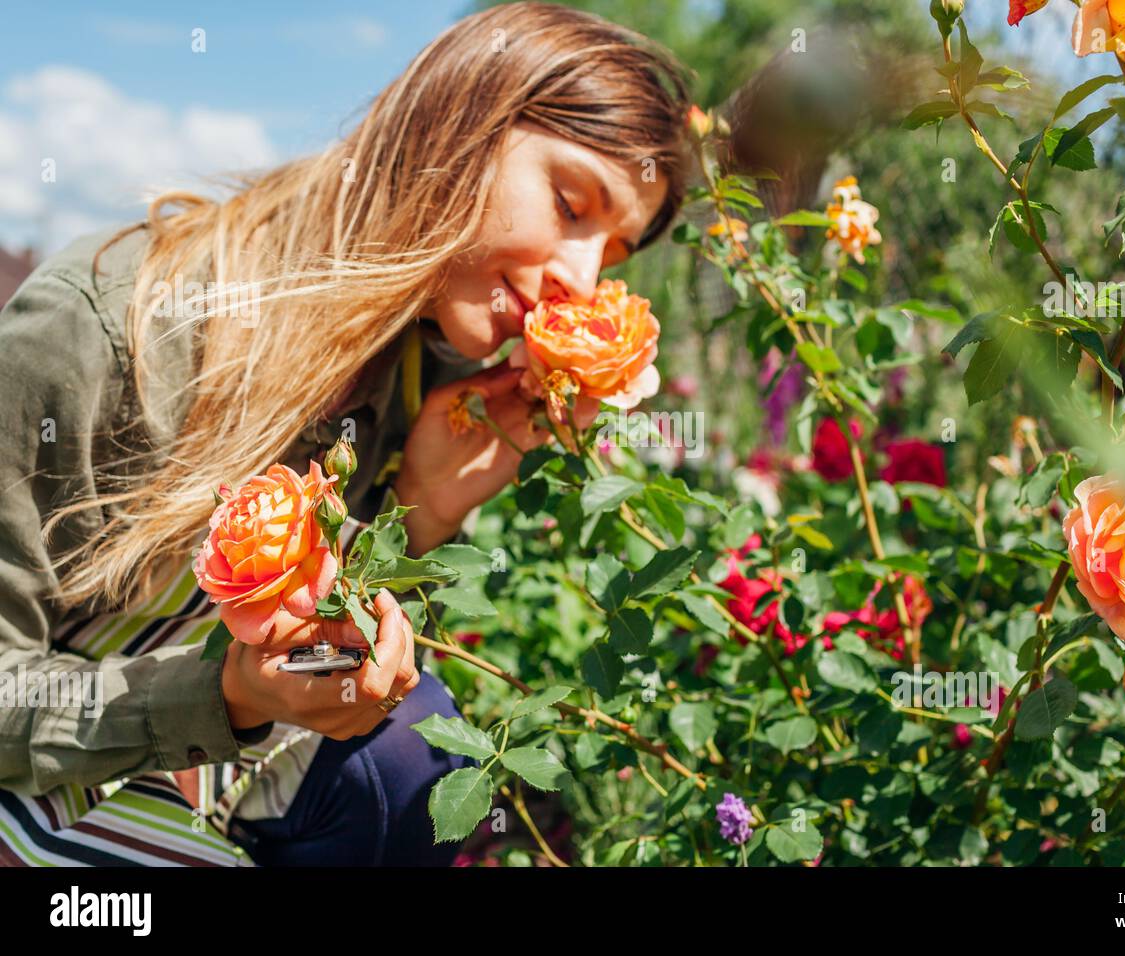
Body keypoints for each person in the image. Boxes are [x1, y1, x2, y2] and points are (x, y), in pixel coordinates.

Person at [0, 1, 690, 866]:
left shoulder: (421, 370)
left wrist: (424, 509)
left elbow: (343, 678)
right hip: (46, 774)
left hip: (218, 774)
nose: (580, 282)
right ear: (458, 121)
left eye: (613, 256)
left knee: (418, 753)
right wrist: (221, 694)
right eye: (567, 201)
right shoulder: (104, 328)